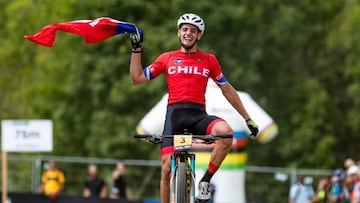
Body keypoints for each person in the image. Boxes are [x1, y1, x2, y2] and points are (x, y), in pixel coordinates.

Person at [129, 13, 259, 202]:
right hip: (174, 117)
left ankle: (205, 181)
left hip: (198, 115)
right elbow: (137, 79)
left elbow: (227, 90)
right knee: (166, 169)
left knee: (226, 133)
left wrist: (247, 118)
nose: (188, 33)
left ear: (199, 35)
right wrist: (136, 50)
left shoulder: (209, 60)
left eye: (193, 30)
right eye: (184, 29)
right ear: (179, 33)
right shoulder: (167, 58)